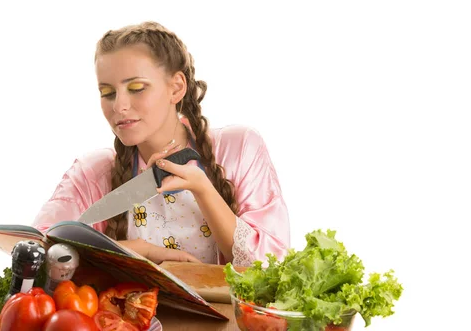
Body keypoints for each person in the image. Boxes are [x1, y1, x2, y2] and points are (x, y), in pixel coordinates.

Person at [32, 21, 290, 266]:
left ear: (176, 88)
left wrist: (204, 190)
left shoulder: (240, 148)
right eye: (107, 93)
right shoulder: (91, 174)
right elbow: (38, 251)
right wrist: (138, 251)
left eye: (136, 88)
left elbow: (272, 266)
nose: (119, 106)